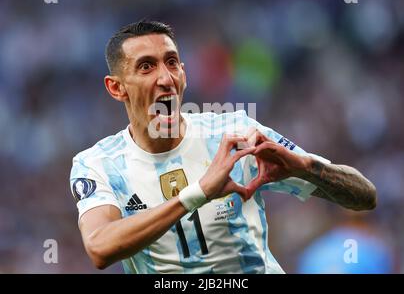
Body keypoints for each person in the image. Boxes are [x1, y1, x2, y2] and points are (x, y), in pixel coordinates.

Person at [69, 20, 377, 274]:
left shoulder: (236, 133)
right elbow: (100, 247)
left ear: (184, 75)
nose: (165, 77)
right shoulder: (98, 164)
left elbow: (364, 197)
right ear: (116, 87)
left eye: (172, 62)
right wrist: (198, 193)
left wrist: (307, 168)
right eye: (146, 67)